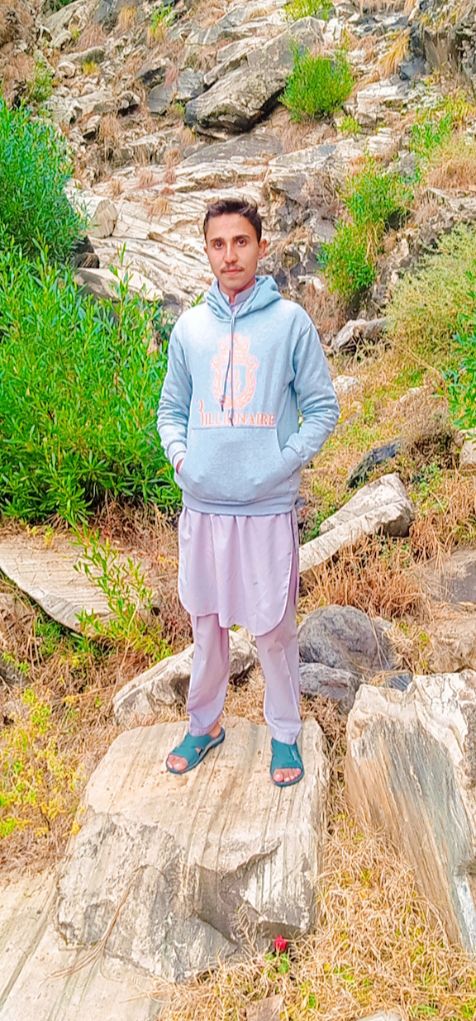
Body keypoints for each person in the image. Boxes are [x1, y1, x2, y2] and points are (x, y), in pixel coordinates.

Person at [157, 197, 339, 788]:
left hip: (266, 508)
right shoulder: (189, 328)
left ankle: (284, 733)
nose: (229, 255)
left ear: (261, 247)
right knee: (206, 628)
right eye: (218, 243)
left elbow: (322, 408)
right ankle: (204, 725)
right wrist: (183, 460)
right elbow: (170, 410)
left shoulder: (290, 323)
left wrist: (281, 463)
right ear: (206, 250)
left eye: (241, 242)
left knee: (274, 629)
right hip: (203, 507)